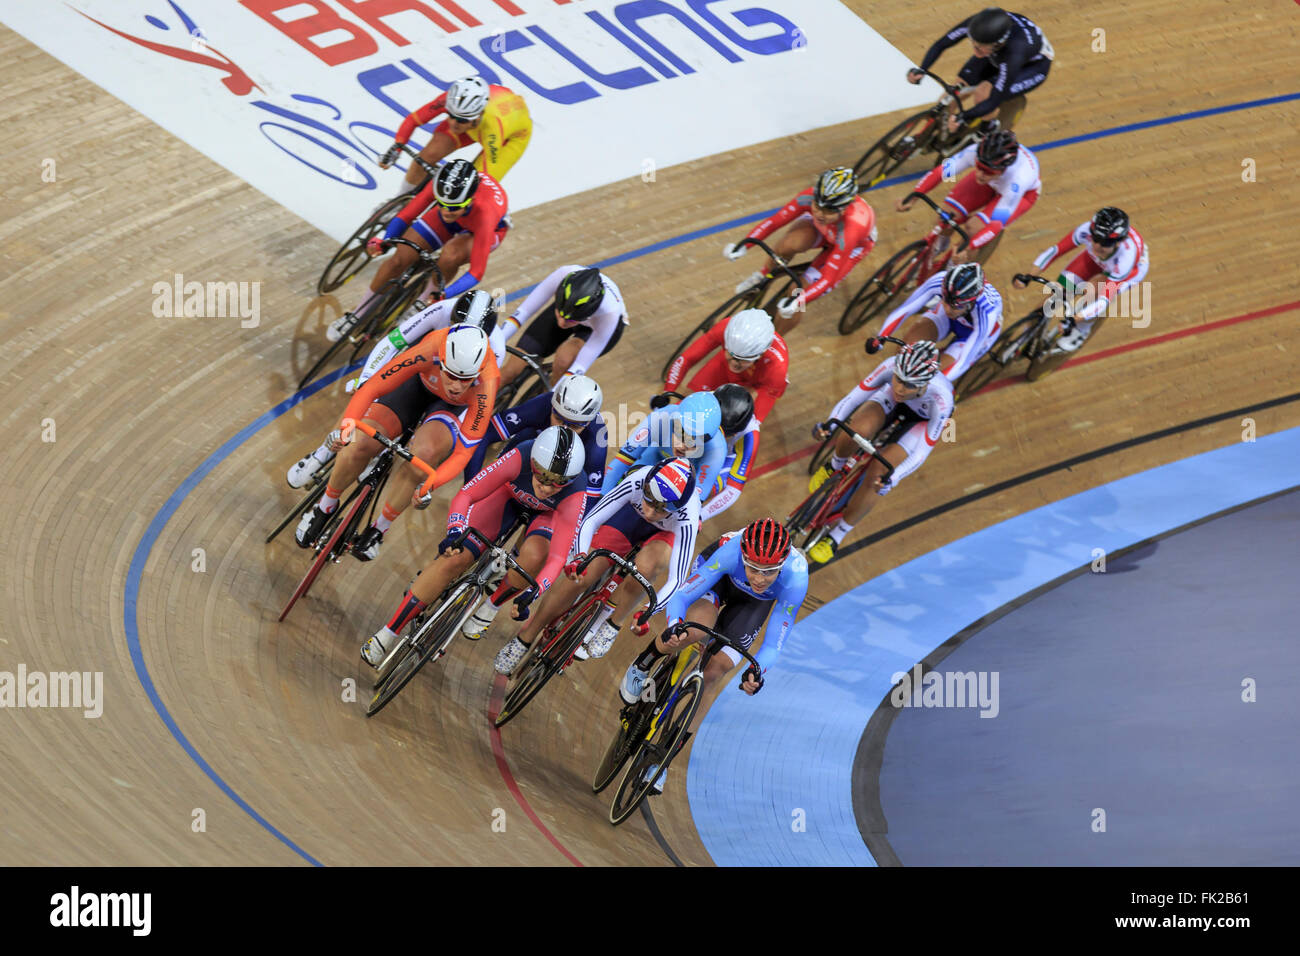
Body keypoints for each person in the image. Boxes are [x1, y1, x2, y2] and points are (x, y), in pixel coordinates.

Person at [361, 426, 586, 667]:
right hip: (508, 495)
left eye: (558, 482)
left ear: (569, 481)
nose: (547, 487)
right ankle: (387, 634)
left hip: (547, 516)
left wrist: (535, 591)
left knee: (535, 556)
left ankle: (491, 605)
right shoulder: (521, 454)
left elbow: (557, 558)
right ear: (533, 462)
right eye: (541, 474)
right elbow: (466, 495)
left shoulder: (575, 492)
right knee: (454, 557)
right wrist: (455, 532)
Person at [617, 518, 807, 793]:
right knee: (694, 630)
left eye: (769, 572)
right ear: (744, 556)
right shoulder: (730, 550)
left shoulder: (795, 577)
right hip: (719, 580)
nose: (759, 578)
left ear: (782, 566)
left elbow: (774, 644)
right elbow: (681, 597)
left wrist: (757, 671)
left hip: (754, 605)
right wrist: (674, 626)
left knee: (716, 671)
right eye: (754, 569)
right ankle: (646, 660)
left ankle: (663, 760)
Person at [293, 325, 497, 562]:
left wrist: (431, 482)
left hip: (451, 409)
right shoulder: (430, 348)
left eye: (466, 379)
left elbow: (463, 453)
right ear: (441, 360)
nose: (457, 386)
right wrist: (348, 425)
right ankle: (325, 505)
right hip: (418, 385)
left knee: (425, 455)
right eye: (451, 375)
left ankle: (380, 528)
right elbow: (372, 388)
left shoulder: (487, 383)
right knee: (359, 444)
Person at [493, 456, 700, 673]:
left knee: (647, 568)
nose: (650, 513)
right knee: (583, 574)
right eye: (648, 501)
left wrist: (649, 610)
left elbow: (677, 580)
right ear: (646, 485)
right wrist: (580, 557)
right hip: (629, 518)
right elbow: (591, 520)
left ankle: (613, 623)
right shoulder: (638, 479)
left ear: (678, 508)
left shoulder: (688, 517)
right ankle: (525, 637)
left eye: (661, 510)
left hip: (664, 535)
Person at [288, 291, 503, 488]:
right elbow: (391, 343)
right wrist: (365, 380)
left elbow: (479, 402)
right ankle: (322, 453)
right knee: (366, 394)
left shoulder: (495, 348)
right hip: (424, 366)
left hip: (453, 395)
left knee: (427, 444)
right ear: (451, 319)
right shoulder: (442, 310)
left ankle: (383, 452)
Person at [327, 159, 509, 342]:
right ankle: (357, 314)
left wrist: (444, 294)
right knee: (398, 260)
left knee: (450, 254)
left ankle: (423, 300)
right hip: (458, 220)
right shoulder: (441, 187)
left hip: (483, 230)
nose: (446, 211)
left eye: (453, 207)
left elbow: (477, 272)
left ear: (470, 200)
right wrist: (384, 241)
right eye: (441, 203)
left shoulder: (486, 212)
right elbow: (406, 215)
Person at [805, 341, 953, 564]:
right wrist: (830, 425)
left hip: (920, 422)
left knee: (879, 472)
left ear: (925, 384)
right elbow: (854, 397)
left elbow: (922, 452)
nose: (901, 388)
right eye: (899, 379)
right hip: (890, 402)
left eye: (909, 385)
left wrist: (893, 477)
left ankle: (838, 534)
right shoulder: (890, 366)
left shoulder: (941, 400)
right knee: (856, 429)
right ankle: (833, 466)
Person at [724, 168, 877, 335]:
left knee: (797, 291)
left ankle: (770, 343)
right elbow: (774, 222)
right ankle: (761, 277)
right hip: (825, 231)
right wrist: (743, 246)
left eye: (829, 210)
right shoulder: (809, 197)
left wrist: (798, 301)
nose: (820, 213)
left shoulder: (852, 228)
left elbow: (828, 278)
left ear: (844, 208)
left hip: (851, 246)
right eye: (817, 206)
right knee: (787, 244)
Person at [899, 126, 1039, 270]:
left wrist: (969, 246)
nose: (980, 174)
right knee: (946, 216)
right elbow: (943, 171)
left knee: (974, 229)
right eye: (978, 166)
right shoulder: (975, 151)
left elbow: (996, 224)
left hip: (1022, 195)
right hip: (993, 183)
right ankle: (937, 248)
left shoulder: (1018, 180)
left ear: (1004, 168)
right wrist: (914, 195)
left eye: (988, 171)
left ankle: (952, 271)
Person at [1018, 206, 1149, 352]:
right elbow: (1056, 251)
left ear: (1118, 242)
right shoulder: (1085, 230)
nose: (1097, 245)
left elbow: (1103, 301)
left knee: (1093, 289)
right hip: (1093, 260)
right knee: (1058, 294)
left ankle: (1082, 330)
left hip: (1128, 271)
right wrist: (1029, 275)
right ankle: (1026, 333)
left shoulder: (1126, 258)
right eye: (1096, 239)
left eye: (1105, 243)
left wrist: (1074, 319)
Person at [908, 7, 1054, 135]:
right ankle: (926, 137)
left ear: (998, 44)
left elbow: (994, 99)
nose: (975, 51)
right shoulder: (977, 25)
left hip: (1032, 67)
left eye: (979, 47)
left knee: (983, 94)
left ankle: (987, 129)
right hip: (996, 55)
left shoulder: (1015, 52)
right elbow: (942, 44)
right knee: (953, 92)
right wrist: (923, 69)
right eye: (973, 43)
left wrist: (964, 116)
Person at [461, 373, 608, 499]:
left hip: (559, 485)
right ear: (552, 407)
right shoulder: (542, 404)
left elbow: (590, 495)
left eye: (575, 426)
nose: (563, 429)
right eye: (558, 419)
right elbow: (483, 434)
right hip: (529, 455)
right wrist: (471, 486)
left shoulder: (597, 438)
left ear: (588, 422)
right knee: (525, 435)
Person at [380, 76, 532, 194]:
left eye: (461, 119)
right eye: (450, 115)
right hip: (476, 124)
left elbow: (487, 171)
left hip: (511, 136)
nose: (453, 123)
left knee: (475, 187)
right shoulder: (451, 100)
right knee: (426, 156)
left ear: (477, 116)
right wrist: (397, 149)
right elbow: (413, 120)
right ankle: (398, 202)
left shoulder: (493, 128)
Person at [867, 262, 1004, 383]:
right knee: (904, 352)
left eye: (955, 306)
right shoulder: (941, 280)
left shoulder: (986, 312)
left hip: (973, 334)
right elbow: (906, 309)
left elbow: (963, 361)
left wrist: (934, 385)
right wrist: (881, 337)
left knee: (931, 379)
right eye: (944, 299)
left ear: (970, 303)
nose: (947, 308)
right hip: (947, 319)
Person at [496, 265, 628, 387]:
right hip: (570, 310)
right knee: (510, 371)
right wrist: (494, 344)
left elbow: (580, 366)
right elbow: (520, 315)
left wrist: (549, 398)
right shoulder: (563, 274)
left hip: (598, 329)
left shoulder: (609, 312)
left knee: (564, 359)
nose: (562, 323)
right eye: (559, 314)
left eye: (570, 321)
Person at [659, 309, 788, 424]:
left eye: (741, 359)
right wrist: (667, 392)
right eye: (731, 354)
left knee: (731, 423)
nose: (734, 363)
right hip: (724, 368)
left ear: (760, 355)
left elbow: (753, 424)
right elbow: (686, 359)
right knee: (688, 403)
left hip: (757, 385)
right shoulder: (725, 328)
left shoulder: (777, 367)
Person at [602, 391, 725, 505]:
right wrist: (599, 500)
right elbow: (620, 463)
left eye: (693, 442)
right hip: (656, 456)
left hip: (686, 477)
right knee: (630, 476)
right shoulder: (660, 417)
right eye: (680, 435)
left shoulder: (717, 450)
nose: (682, 446)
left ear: (707, 440)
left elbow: (693, 503)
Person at [699, 384, 759, 522]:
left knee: (716, 482)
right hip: (698, 438)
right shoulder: (704, 400)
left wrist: (701, 516)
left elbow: (733, 490)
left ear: (738, 431)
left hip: (722, 457)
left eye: (726, 433)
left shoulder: (751, 435)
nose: (719, 435)